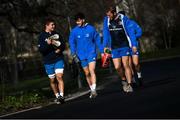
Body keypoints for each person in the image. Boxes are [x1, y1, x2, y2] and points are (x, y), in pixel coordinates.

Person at [103, 7, 137, 92]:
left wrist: (134, 44)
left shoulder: (123, 18)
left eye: (109, 14)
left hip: (124, 45)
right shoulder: (106, 20)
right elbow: (106, 33)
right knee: (117, 67)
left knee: (126, 65)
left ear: (114, 13)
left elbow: (131, 32)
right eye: (107, 14)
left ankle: (129, 85)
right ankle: (123, 79)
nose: (108, 15)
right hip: (114, 47)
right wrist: (105, 46)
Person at [69, 12, 103, 98]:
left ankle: (94, 90)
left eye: (79, 21)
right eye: (76, 21)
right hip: (81, 55)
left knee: (92, 70)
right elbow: (72, 43)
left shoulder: (91, 29)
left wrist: (102, 50)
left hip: (91, 53)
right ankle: (91, 89)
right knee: (87, 73)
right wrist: (73, 53)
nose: (78, 23)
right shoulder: (74, 31)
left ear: (83, 20)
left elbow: (97, 40)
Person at [38, 18, 65, 104]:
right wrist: (47, 44)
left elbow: (63, 45)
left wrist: (60, 50)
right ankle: (57, 96)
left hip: (58, 59)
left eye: (54, 24)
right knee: (52, 81)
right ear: (47, 25)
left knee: (59, 77)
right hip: (48, 61)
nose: (54, 26)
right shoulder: (42, 36)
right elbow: (41, 50)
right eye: (52, 25)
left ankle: (62, 96)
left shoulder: (57, 34)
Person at [119, 11, 143, 87]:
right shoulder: (119, 25)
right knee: (128, 65)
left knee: (136, 64)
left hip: (133, 46)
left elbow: (140, 31)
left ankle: (139, 76)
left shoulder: (131, 22)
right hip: (125, 47)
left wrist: (134, 37)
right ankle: (133, 80)